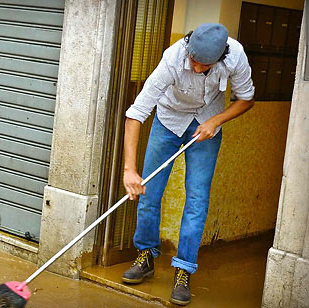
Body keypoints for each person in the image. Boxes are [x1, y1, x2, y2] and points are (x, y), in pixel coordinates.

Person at [120, 23, 255, 306]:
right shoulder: (173, 57)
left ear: (220, 58)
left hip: (208, 122)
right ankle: (145, 255)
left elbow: (246, 99)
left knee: (196, 198)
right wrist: (129, 170)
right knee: (148, 191)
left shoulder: (236, 56)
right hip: (168, 120)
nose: (194, 67)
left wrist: (215, 121)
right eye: (192, 59)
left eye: (203, 64)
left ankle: (183, 270)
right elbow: (136, 113)